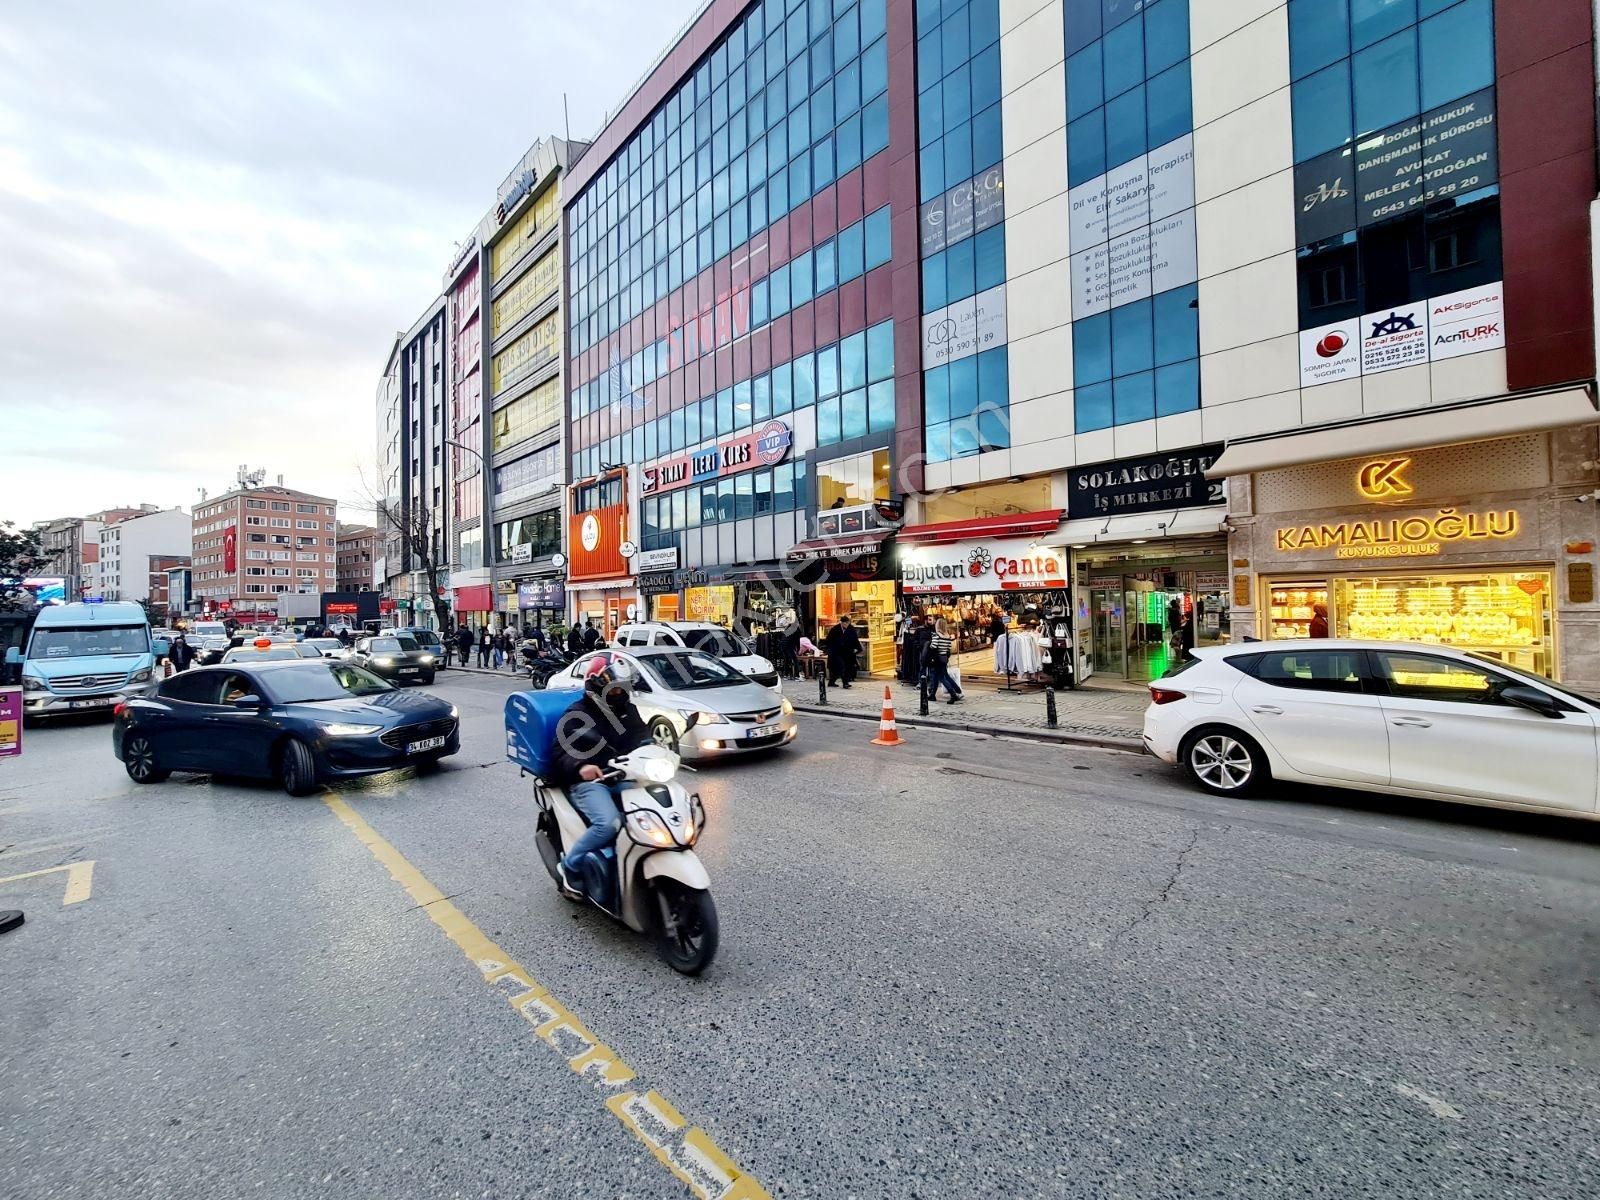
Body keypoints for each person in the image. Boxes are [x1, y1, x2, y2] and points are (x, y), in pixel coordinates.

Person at [549, 658, 650, 897]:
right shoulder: (577, 715)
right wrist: (581, 765)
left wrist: (657, 749)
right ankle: (569, 868)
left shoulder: (628, 710)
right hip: (592, 782)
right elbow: (560, 752)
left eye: (622, 688)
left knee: (656, 815)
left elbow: (642, 736)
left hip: (625, 774)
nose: (619, 693)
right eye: (614, 688)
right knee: (609, 823)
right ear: (595, 687)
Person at [926, 618, 964, 703]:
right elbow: (949, 648)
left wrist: (929, 645)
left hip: (937, 659)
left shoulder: (937, 635)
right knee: (936, 677)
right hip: (944, 659)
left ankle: (953, 694)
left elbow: (934, 646)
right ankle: (932, 695)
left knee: (941, 678)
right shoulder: (947, 636)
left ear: (938, 625)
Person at [823, 615, 861, 688]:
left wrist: (857, 648)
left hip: (847, 652)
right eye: (845, 623)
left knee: (844, 667)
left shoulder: (851, 629)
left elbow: (855, 639)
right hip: (836, 652)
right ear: (841, 623)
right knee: (841, 666)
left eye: (847, 623)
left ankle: (831, 682)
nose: (846, 625)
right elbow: (828, 640)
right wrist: (828, 649)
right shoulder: (835, 629)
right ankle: (845, 683)